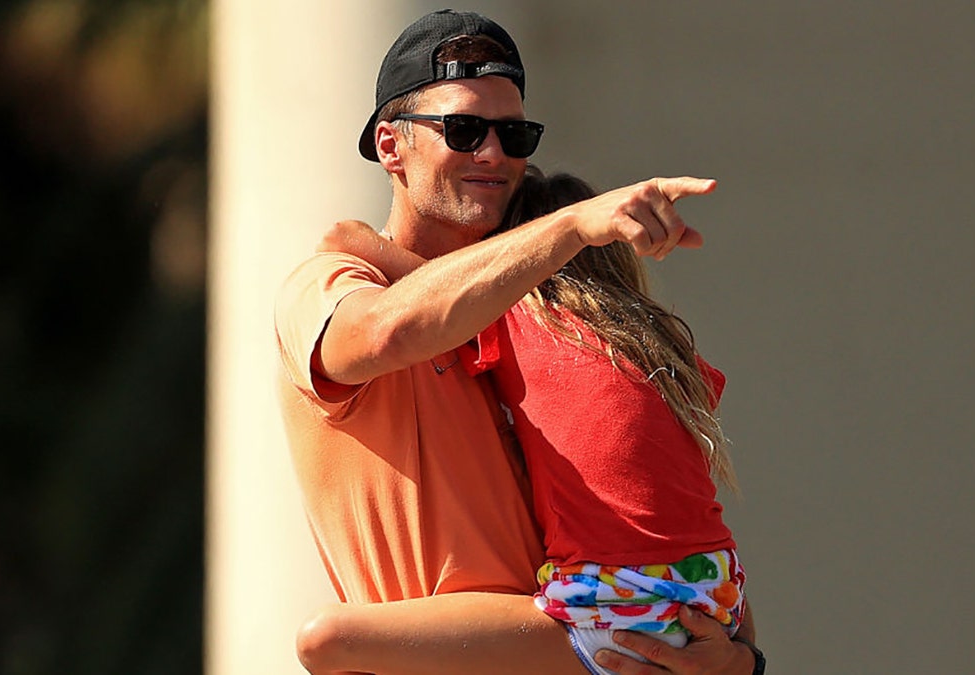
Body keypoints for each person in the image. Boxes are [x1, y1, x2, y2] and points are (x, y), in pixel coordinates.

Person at [274, 9, 763, 675]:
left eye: (514, 134)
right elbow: (392, 328)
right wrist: (572, 227)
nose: (494, 154)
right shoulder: (329, 283)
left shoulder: (547, 315)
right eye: (464, 129)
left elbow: (678, 523)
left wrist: (739, 663)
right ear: (391, 146)